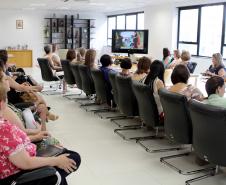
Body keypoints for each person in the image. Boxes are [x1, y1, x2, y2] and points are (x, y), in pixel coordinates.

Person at [0, 84, 81, 185]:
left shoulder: (4, 125)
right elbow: (26, 163)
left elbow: (9, 146)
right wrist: (56, 161)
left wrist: (35, 138)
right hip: (17, 175)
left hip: (19, 160)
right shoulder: (4, 128)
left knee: (66, 158)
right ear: (2, 103)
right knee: (70, 160)